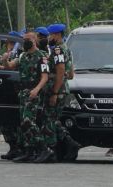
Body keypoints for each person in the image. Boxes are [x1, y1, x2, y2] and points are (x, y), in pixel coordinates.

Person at [10, 31, 52, 163]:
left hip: (34, 91)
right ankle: (29, 151)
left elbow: (45, 77)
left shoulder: (42, 56)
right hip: (23, 92)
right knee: (23, 123)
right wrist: (5, 60)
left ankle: (44, 148)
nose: (25, 41)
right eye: (24, 39)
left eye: (28, 39)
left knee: (28, 121)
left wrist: (37, 89)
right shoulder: (22, 55)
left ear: (35, 40)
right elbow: (10, 66)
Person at [40, 24, 79, 163]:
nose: (49, 37)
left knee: (48, 120)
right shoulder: (67, 49)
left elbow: (61, 70)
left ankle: (52, 150)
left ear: (56, 35)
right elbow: (71, 74)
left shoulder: (57, 50)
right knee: (53, 119)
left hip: (57, 90)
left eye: (50, 35)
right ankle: (69, 144)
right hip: (63, 88)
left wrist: (55, 92)